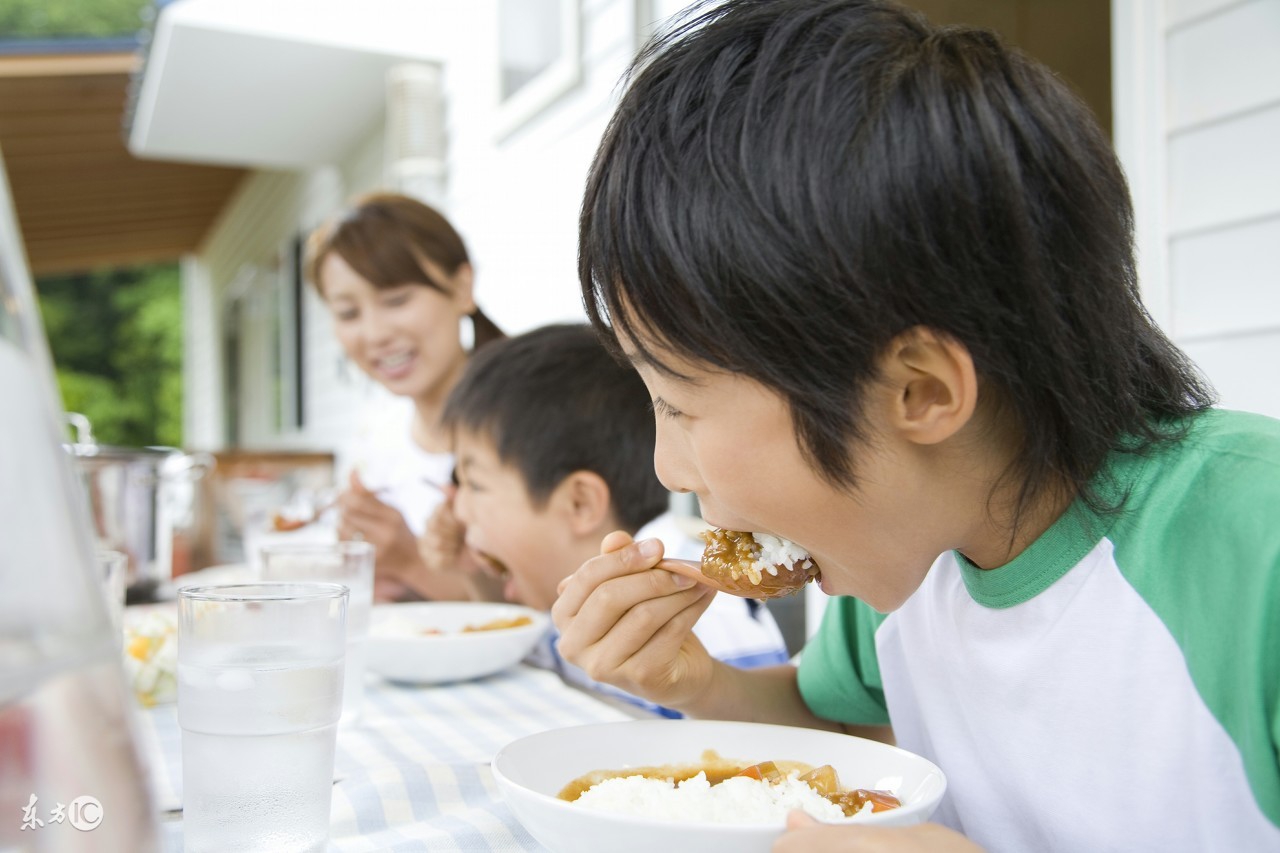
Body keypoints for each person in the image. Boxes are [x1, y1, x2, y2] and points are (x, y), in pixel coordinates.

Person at [552, 1, 1280, 850]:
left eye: (677, 403)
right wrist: (699, 684)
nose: (667, 467)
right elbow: (847, 736)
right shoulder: (907, 550)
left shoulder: (1254, 548)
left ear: (922, 392)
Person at [426, 323, 791, 715]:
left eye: (475, 484)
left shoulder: (700, 612)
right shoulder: (573, 601)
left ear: (580, 504)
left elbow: (768, 747)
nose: (458, 511)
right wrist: (479, 577)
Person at [306, 192, 504, 601]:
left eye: (396, 300)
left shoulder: (528, 420)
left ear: (462, 287)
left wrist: (409, 561)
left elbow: (545, 616)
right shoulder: (375, 441)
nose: (375, 334)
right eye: (348, 313)